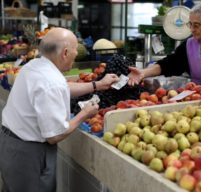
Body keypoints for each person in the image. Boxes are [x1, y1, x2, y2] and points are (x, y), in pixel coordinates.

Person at [0, 27, 119, 192]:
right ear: (65, 53)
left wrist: (97, 85)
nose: (77, 53)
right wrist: (84, 114)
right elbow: (54, 135)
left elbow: (63, 87)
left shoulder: (35, 65)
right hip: (28, 154)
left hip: (10, 143)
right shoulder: (50, 80)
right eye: (75, 49)